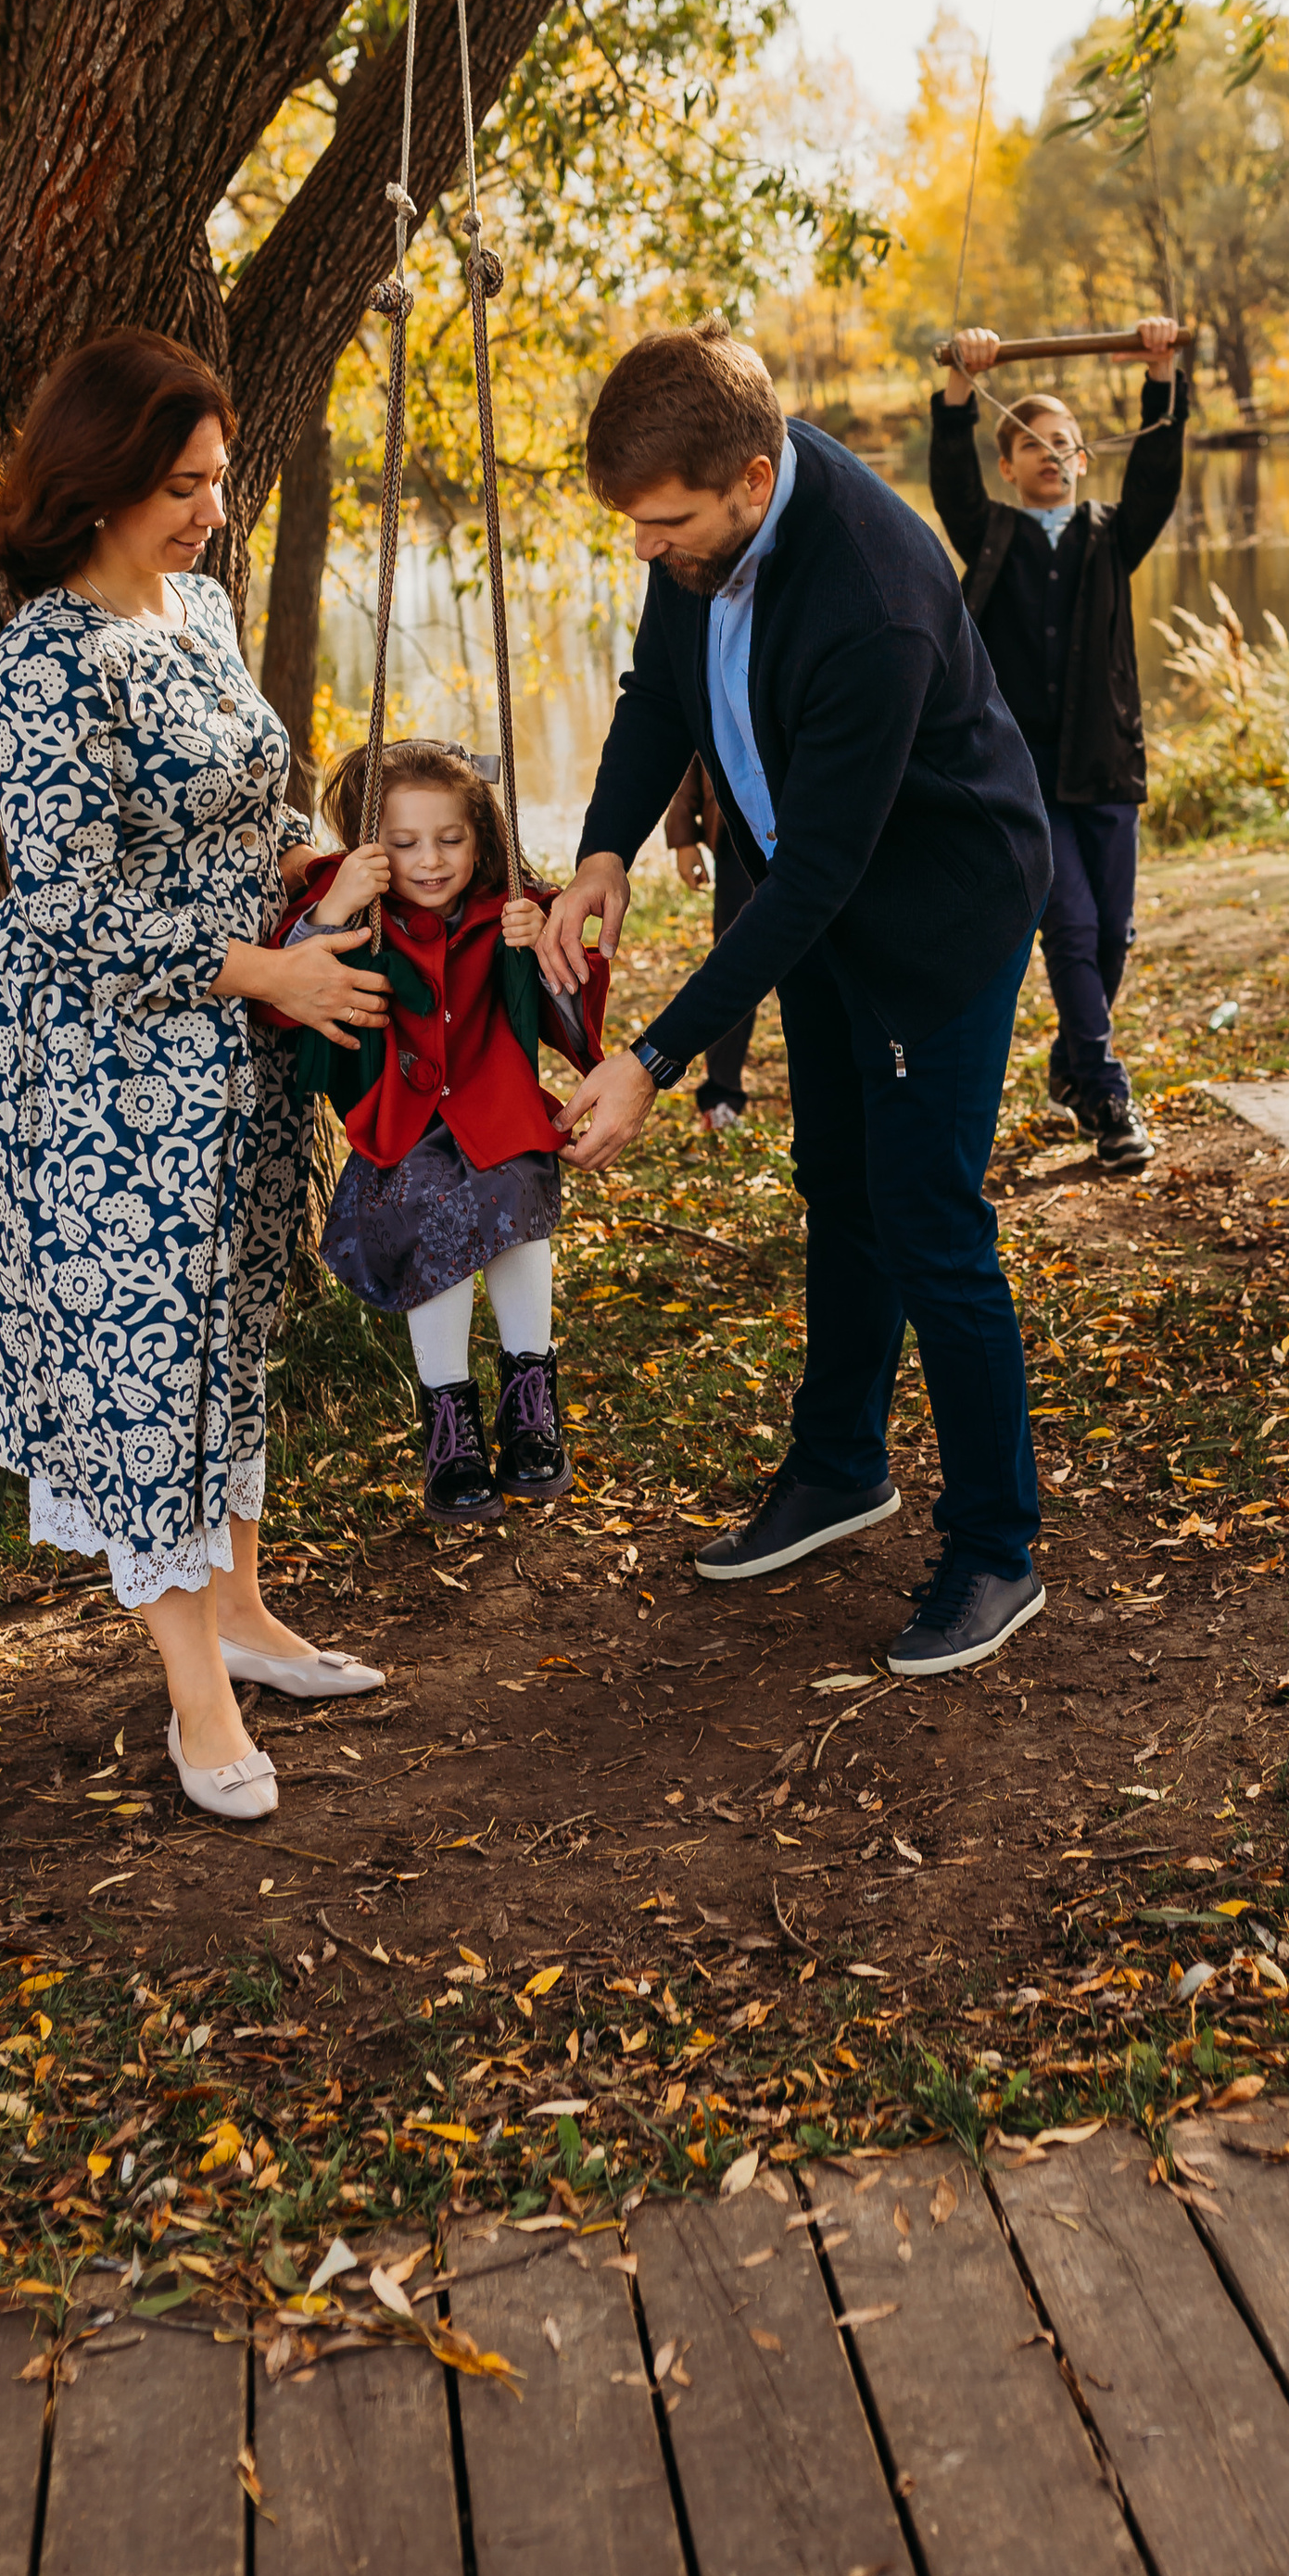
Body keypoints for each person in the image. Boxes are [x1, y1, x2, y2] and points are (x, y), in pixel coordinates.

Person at [533, 315, 1055, 1679]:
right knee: (839, 1179)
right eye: (637, 525)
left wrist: (654, 1053)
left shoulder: (870, 598)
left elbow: (822, 874)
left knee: (930, 1221)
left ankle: (998, 1548)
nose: (647, 549)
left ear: (752, 484)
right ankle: (840, 1469)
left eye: (666, 524)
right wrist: (603, 852)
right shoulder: (705, 518)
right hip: (816, 901)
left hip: (932, 918)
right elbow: (660, 692)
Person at [0, 330, 391, 1831]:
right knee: (146, 1365)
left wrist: (319, 866)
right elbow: (70, 908)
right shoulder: (35, 669)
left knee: (230, 1328)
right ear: (107, 482)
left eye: (218, 480)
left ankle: (251, 1621)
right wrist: (270, 970)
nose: (216, 510)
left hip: (235, 1042)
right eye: (189, 485)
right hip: (93, 1063)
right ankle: (198, 1699)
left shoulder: (196, 610)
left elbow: (247, 803)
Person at [268, 738, 602, 1515]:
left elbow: (570, 1013)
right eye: (404, 843)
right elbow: (283, 995)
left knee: (516, 1190)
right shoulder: (357, 912)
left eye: (450, 839)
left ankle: (530, 1395)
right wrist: (333, 907)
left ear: (480, 840)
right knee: (429, 1217)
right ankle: (448, 1420)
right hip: (402, 1124)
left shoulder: (510, 910)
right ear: (370, 849)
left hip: (496, 1111)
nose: (429, 860)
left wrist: (543, 949)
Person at [930, 316, 1187, 1173]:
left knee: (1111, 934)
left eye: (1065, 444)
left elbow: (1159, 471)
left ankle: (1074, 1065)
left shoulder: (1113, 536)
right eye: (1034, 444)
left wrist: (1159, 374)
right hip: (1025, 784)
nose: (1051, 454)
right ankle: (1109, 1096)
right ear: (1010, 464)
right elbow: (951, 488)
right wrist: (963, 386)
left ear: (1084, 458)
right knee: (1071, 930)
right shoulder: (993, 536)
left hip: (1106, 766)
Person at [663, 758, 757, 1132]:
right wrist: (684, 836)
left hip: (808, 823)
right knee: (736, 966)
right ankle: (722, 1093)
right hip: (737, 838)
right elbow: (693, 742)